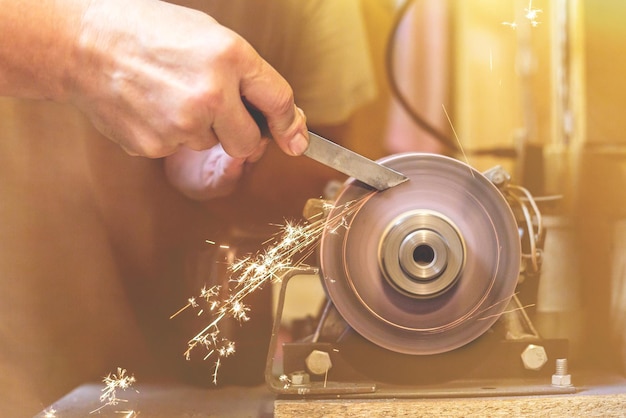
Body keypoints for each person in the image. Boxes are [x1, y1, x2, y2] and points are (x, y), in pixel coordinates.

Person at [0, 0, 376, 415]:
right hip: (24, 374)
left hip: (204, 384)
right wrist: (82, 45)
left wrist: (244, 164)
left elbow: (321, 195)